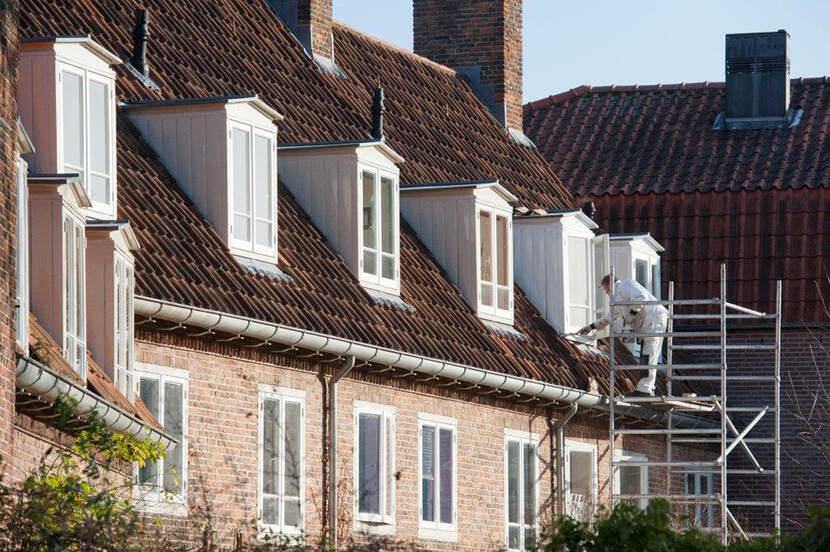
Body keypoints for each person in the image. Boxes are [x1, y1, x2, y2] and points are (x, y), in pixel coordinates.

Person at [578, 275, 668, 397]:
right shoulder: (619, 300)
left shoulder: (626, 285)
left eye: (605, 289)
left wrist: (631, 314)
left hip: (654, 318)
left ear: (608, 284)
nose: (606, 292)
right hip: (647, 322)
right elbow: (609, 317)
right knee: (645, 355)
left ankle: (645, 389)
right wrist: (592, 327)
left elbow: (640, 299)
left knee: (650, 352)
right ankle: (646, 388)